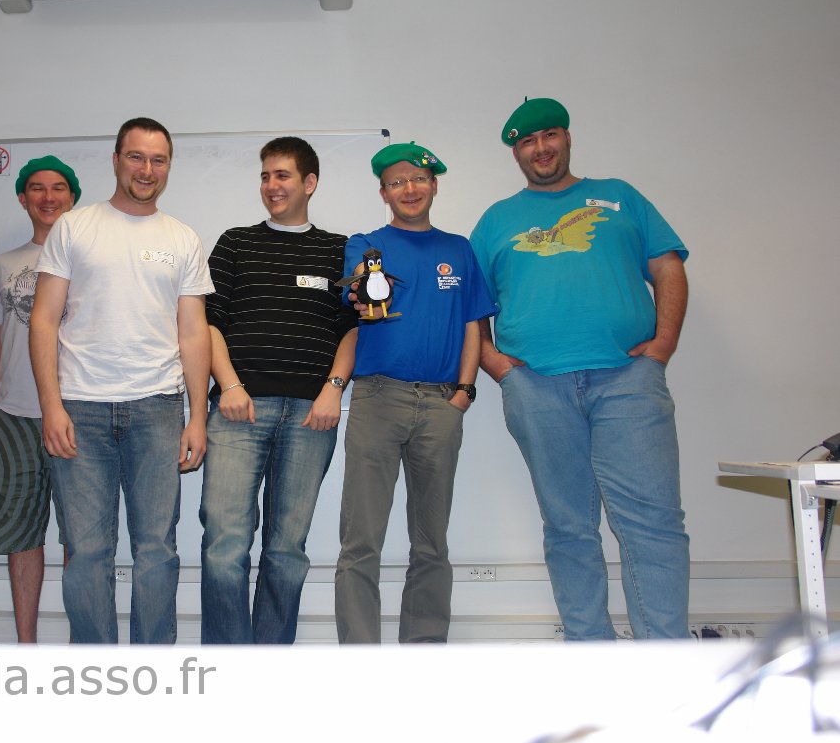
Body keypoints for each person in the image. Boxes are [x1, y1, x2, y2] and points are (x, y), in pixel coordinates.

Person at [470, 98, 691, 640]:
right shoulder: (496, 220)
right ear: (516, 152)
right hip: (536, 387)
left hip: (628, 379)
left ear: (567, 137)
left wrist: (663, 344)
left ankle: (666, 658)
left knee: (653, 520)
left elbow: (668, 267)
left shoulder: (621, 197)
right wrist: (496, 364)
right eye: (527, 141)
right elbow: (469, 306)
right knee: (569, 526)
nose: (540, 148)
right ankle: (589, 652)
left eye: (549, 135)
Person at [29, 117, 214, 644]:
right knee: (88, 552)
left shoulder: (182, 238)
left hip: (157, 409)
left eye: (158, 160)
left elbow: (193, 332)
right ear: (116, 160)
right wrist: (51, 407)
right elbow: (43, 320)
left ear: (168, 167)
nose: (146, 169)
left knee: (157, 549)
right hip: (80, 409)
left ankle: (151, 671)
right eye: (136, 157)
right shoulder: (74, 228)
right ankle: (97, 671)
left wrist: (198, 418)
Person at [333, 142, 497, 644]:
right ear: (384, 192)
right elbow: (359, 291)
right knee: (361, 542)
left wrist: (465, 391)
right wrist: (364, 293)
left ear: (434, 186)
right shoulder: (366, 244)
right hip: (378, 399)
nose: (409, 189)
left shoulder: (459, 249)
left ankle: (423, 652)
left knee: (431, 543)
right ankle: (360, 656)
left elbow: (474, 324)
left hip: (443, 404)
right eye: (397, 182)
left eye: (418, 179)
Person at [200, 137, 359, 644]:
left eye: (282, 175)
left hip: (312, 416)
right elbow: (208, 322)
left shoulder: (339, 250)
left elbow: (353, 328)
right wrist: (228, 384)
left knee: (287, 551)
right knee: (224, 546)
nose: (271, 185)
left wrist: (333, 390)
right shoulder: (235, 243)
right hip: (238, 411)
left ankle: (269, 664)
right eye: (265, 176)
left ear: (309, 183)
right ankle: (228, 664)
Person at [0, 156, 80, 643]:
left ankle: (80, 642)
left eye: (59, 187)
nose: (48, 197)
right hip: (14, 416)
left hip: (77, 412)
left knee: (80, 535)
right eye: (37, 188)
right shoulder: (3, 265)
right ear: (22, 198)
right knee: (21, 534)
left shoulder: (89, 260)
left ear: (73, 197)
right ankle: (26, 646)